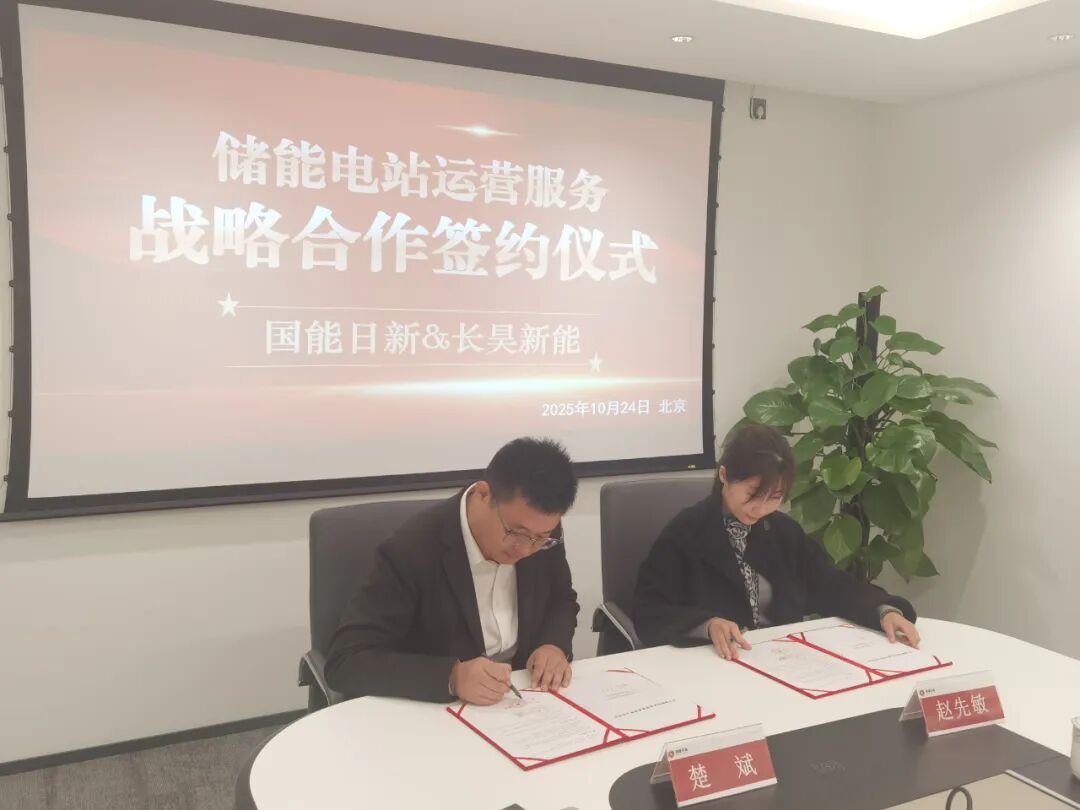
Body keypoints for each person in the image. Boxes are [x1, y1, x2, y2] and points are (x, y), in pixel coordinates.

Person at [325, 437, 579, 704]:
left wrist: (553, 644)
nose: (526, 549)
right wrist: (452, 676)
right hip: (440, 707)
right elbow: (346, 661)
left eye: (540, 538)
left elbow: (560, 598)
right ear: (483, 495)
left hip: (520, 697)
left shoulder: (539, 532)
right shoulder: (412, 549)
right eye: (515, 533)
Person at [632, 424, 919, 660]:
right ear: (724, 476)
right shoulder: (686, 533)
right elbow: (649, 611)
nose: (761, 508)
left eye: (775, 497)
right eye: (753, 494)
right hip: (716, 662)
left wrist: (883, 610)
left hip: (782, 658)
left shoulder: (782, 532)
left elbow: (830, 584)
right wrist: (707, 625)